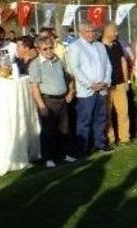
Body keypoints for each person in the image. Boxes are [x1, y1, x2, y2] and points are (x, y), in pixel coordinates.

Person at [28, 36, 77, 167]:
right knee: (48, 131)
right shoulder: (35, 64)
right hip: (47, 100)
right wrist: (41, 106)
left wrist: (71, 91)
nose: (49, 51)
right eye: (45, 49)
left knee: (65, 129)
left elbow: (69, 77)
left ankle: (67, 154)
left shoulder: (58, 61)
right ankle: (48, 158)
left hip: (62, 100)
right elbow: (34, 87)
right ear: (39, 50)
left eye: (51, 48)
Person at [68, 23, 113, 156]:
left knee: (100, 118)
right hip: (86, 91)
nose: (90, 34)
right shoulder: (75, 46)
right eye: (87, 31)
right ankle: (83, 148)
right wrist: (90, 84)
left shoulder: (100, 46)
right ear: (80, 32)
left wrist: (106, 81)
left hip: (102, 88)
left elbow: (108, 65)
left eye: (93, 31)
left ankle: (99, 143)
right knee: (85, 121)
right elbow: (75, 68)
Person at [101, 24, 131, 146]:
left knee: (123, 111)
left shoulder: (117, 44)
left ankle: (125, 138)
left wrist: (126, 80)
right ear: (107, 32)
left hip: (119, 83)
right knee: (107, 113)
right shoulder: (99, 46)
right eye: (114, 31)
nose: (116, 33)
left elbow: (123, 61)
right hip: (106, 85)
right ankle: (110, 138)